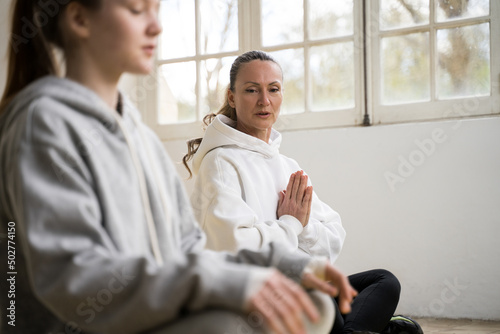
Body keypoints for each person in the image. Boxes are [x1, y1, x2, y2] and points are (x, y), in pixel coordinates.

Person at [0, 2, 359, 334]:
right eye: (138, 10)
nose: (156, 26)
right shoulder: (43, 122)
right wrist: (234, 285)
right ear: (80, 19)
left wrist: (290, 265)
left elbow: (190, 249)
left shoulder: (138, 134)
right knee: (227, 325)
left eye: (156, 10)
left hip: (145, 313)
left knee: (313, 303)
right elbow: (74, 279)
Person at [184, 50, 423, 334]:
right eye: (251, 90)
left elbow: (334, 235)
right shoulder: (220, 163)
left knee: (384, 282)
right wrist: (290, 224)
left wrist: (303, 225)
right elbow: (236, 249)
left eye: (273, 89)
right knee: (329, 306)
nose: (264, 100)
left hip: (298, 284)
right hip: (252, 301)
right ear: (232, 97)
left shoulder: (287, 165)